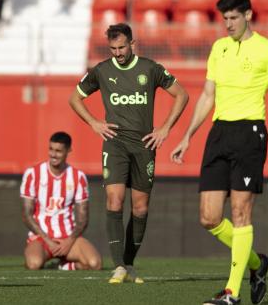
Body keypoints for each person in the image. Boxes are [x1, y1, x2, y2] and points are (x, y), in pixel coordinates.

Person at [170, 0, 268, 305]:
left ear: (248, 15)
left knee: (241, 212)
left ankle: (232, 293)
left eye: (233, 18)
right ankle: (257, 264)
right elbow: (206, 95)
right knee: (209, 217)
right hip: (219, 134)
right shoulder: (219, 48)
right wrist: (187, 135)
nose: (227, 24)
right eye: (224, 18)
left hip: (250, 135)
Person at [68, 23, 188, 283]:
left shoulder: (150, 69)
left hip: (145, 146)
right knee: (114, 200)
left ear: (132, 43)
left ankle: (130, 264)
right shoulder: (101, 71)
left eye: (122, 47)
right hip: (115, 144)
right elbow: (74, 98)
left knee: (141, 208)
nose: (118, 53)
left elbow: (182, 95)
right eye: (113, 48)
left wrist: (165, 128)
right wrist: (94, 122)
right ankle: (119, 265)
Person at [20, 132, 102, 271]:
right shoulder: (33, 174)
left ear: (68, 150)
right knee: (34, 264)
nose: (53, 154)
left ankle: (65, 265)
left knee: (95, 264)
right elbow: (26, 215)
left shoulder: (78, 177)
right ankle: (50, 259)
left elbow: (83, 219)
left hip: (68, 238)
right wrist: (48, 240)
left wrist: (69, 242)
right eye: (51, 149)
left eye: (58, 151)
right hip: (41, 238)